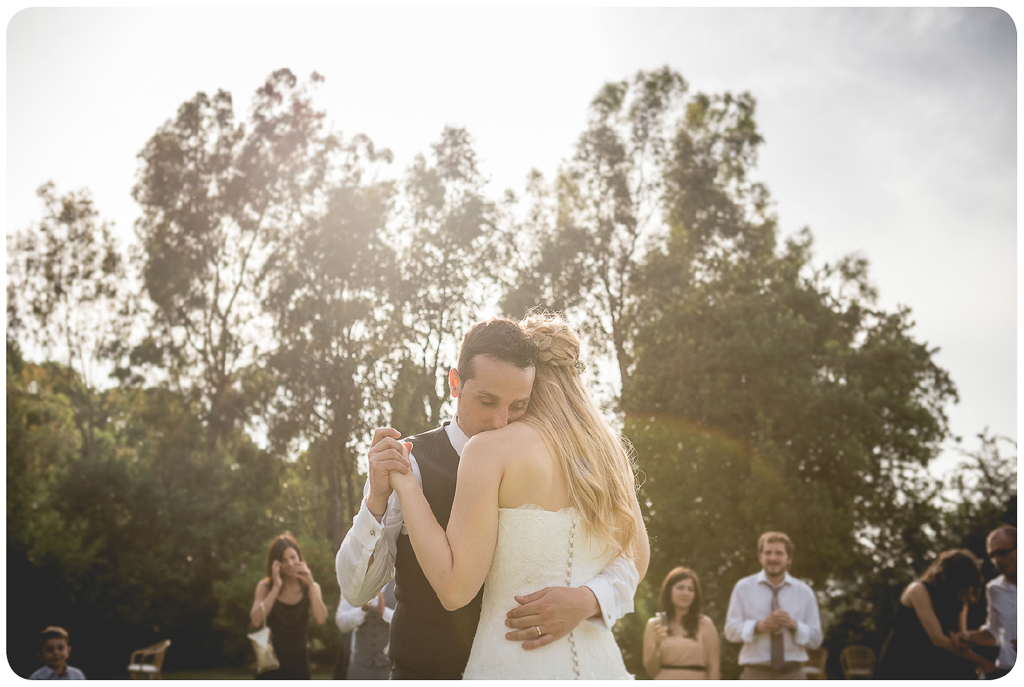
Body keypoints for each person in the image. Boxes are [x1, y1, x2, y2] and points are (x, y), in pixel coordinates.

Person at [336, 315, 647, 679]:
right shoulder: (410, 462)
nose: (501, 421)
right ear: (455, 383)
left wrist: (590, 599)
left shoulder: (567, 461)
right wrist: (375, 502)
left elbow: (632, 556)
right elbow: (357, 592)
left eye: (518, 405)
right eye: (487, 401)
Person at [875, 548, 996, 679]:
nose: (967, 591)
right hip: (903, 661)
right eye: (963, 585)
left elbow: (961, 637)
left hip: (934, 663)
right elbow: (938, 639)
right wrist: (981, 661)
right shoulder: (918, 590)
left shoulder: (960, 596)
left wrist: (968, 649)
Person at [724, 531, 822, 680]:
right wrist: (757, 627)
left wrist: (794, 625)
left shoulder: (805, 592)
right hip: (755, 675)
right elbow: (730, 631)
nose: (773, 558)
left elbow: (816, 639)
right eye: (768, 553)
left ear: (789, 559)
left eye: (779, 553)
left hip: (794, 675)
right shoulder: (743, 588)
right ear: (760, 557)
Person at [250, 534, 328, 679]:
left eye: (293, 557)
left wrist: (311, 584)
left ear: (299, 558)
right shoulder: (265, 587)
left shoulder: (311, 587)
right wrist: (276, 588)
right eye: (284, 560)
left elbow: (321, 619)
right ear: (275, 564)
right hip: (270, 664)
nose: (290, 564)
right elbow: (256, 621)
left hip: (299, 665)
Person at [952, 526, 1016, 679]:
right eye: (992, 555)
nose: (997, 560)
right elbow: (994, 633)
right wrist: (968, 636)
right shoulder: (994, 589)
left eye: (1002, 552)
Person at [643, 567, 721, 679]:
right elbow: (651, 670)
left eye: (690, 589)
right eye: (680, 588)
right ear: (669, 591)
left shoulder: (705, 624)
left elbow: (714, 668)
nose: (686, 593)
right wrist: (657, 646)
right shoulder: (654, 624)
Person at [335, 580, 396, 679]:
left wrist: (385, 612)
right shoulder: (353, 583)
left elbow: (408, 623)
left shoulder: (400, 583)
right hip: (359, 666)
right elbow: (342, 623)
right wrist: (362, 610)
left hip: (390, 667)